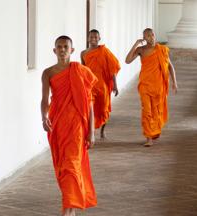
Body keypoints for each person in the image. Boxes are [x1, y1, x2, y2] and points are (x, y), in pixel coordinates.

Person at [41, 35, 97, 216]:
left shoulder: (81, 71)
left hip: (77, 126)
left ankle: (67, 210)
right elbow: (44, 100)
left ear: (72, 50)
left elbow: (89, 102)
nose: (62, 49)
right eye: (59, 46)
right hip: (57, 124)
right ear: (54, 50)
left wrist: (91, 131)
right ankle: (70, 206)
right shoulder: (48, 73)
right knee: (62, 166)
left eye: (66, 46)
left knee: (72, 164)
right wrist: (44, 117)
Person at [125, 28, 178, 147]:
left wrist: (174, 82)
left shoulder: (162, 50)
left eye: (152, 34)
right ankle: (149, 138)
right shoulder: (141, 50)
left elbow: (170, 67)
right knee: (147, 111)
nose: (151, 37)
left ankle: (154, 131)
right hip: (145, 85)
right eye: (147, 36)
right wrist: (136, 44)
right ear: (144, 38)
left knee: (156, 111)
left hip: (158, 86)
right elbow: (127, 60)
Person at [81, 29, 121, 141]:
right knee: (90, 108)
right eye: (91, 37)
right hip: (90, 85)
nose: (93, 39)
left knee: (104, 108)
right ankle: (91, 131)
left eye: (95, 37)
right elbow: (83, 70)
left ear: (99, 38)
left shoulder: (104, 51)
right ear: (88, 38)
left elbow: (112, 68)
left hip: (102, 84)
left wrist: (115, 85)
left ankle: (103, 130)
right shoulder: (83, 53)